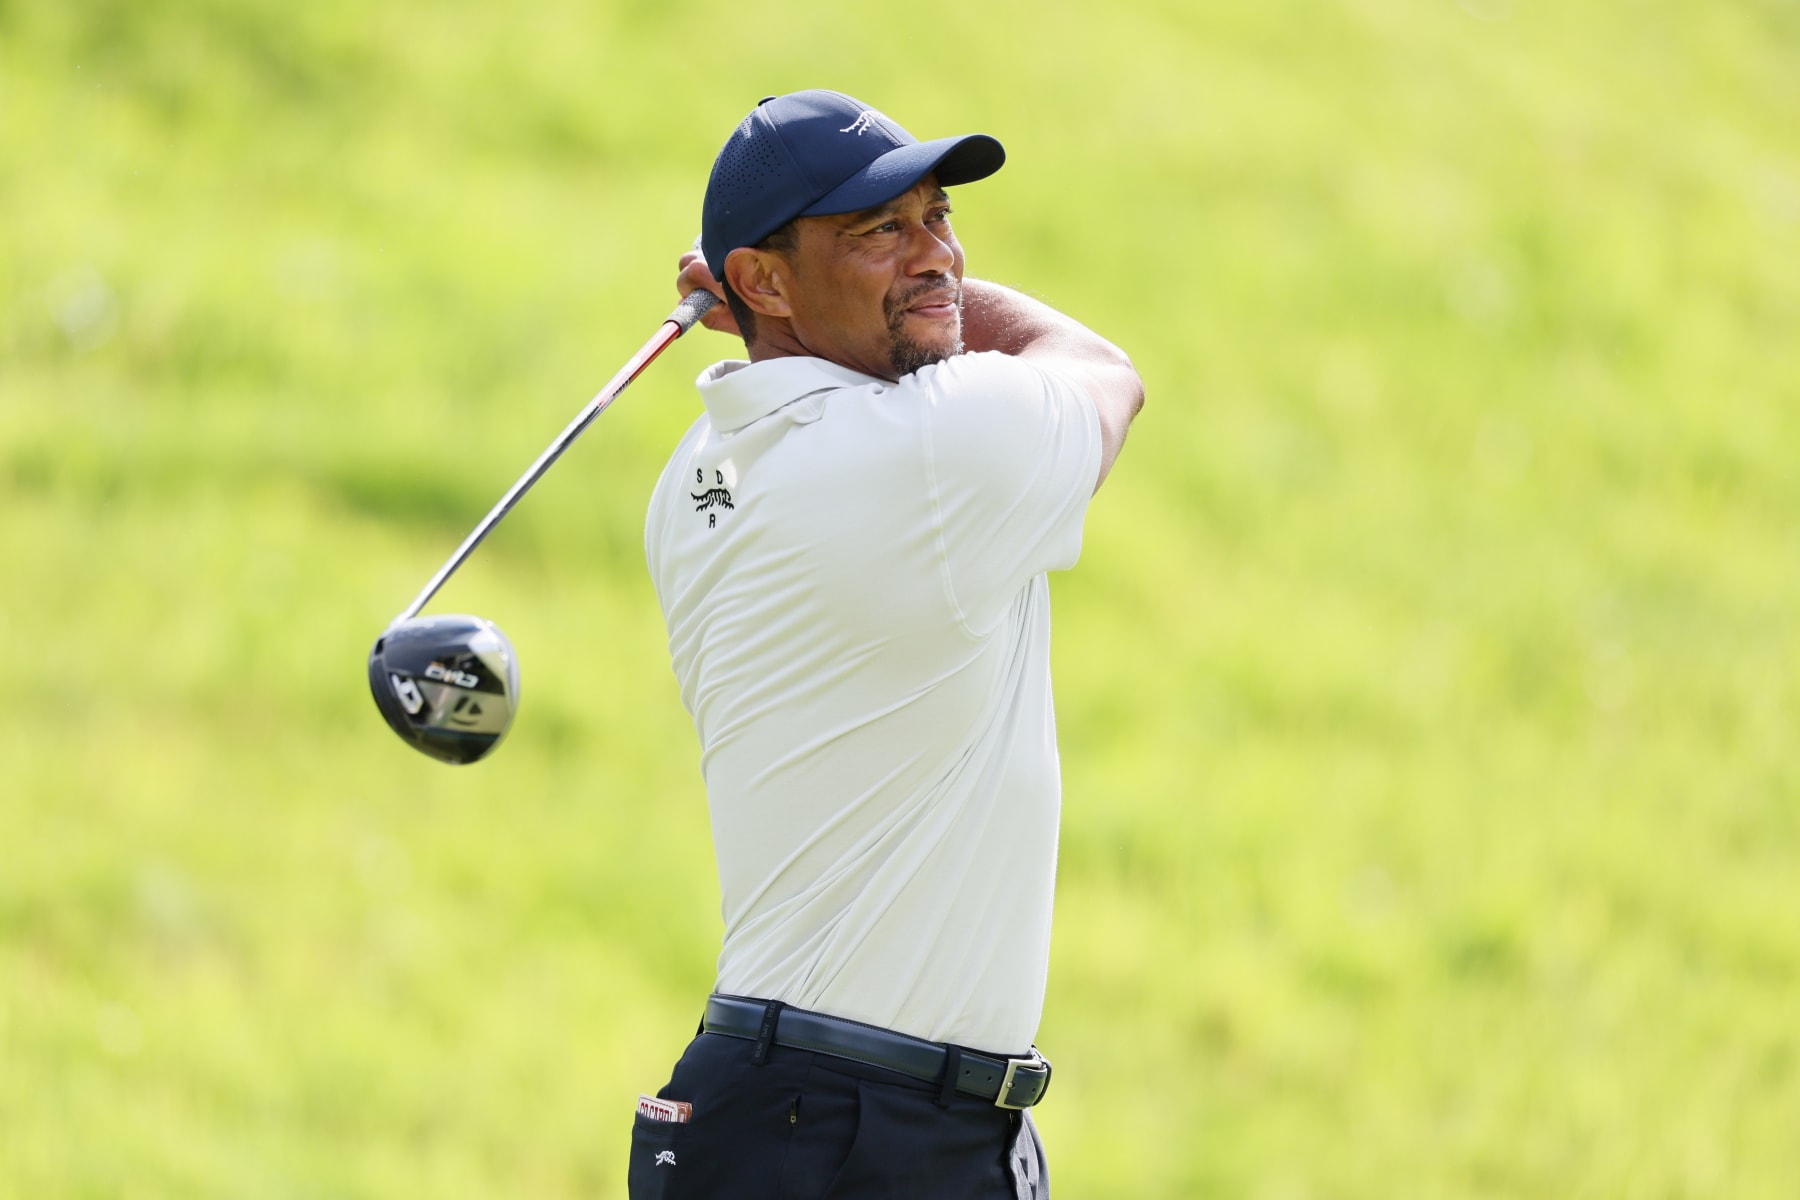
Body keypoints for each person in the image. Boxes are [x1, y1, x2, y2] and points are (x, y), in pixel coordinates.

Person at [632, 89, 1145, 1200]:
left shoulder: (695, 481)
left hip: (818, 1110)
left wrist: (801, 296)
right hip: (855, 1125)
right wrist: (937, 301)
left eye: (938, 217)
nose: (936, 256)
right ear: (762, 281)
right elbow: (1104, 369)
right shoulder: (936, 445)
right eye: (879, 232)